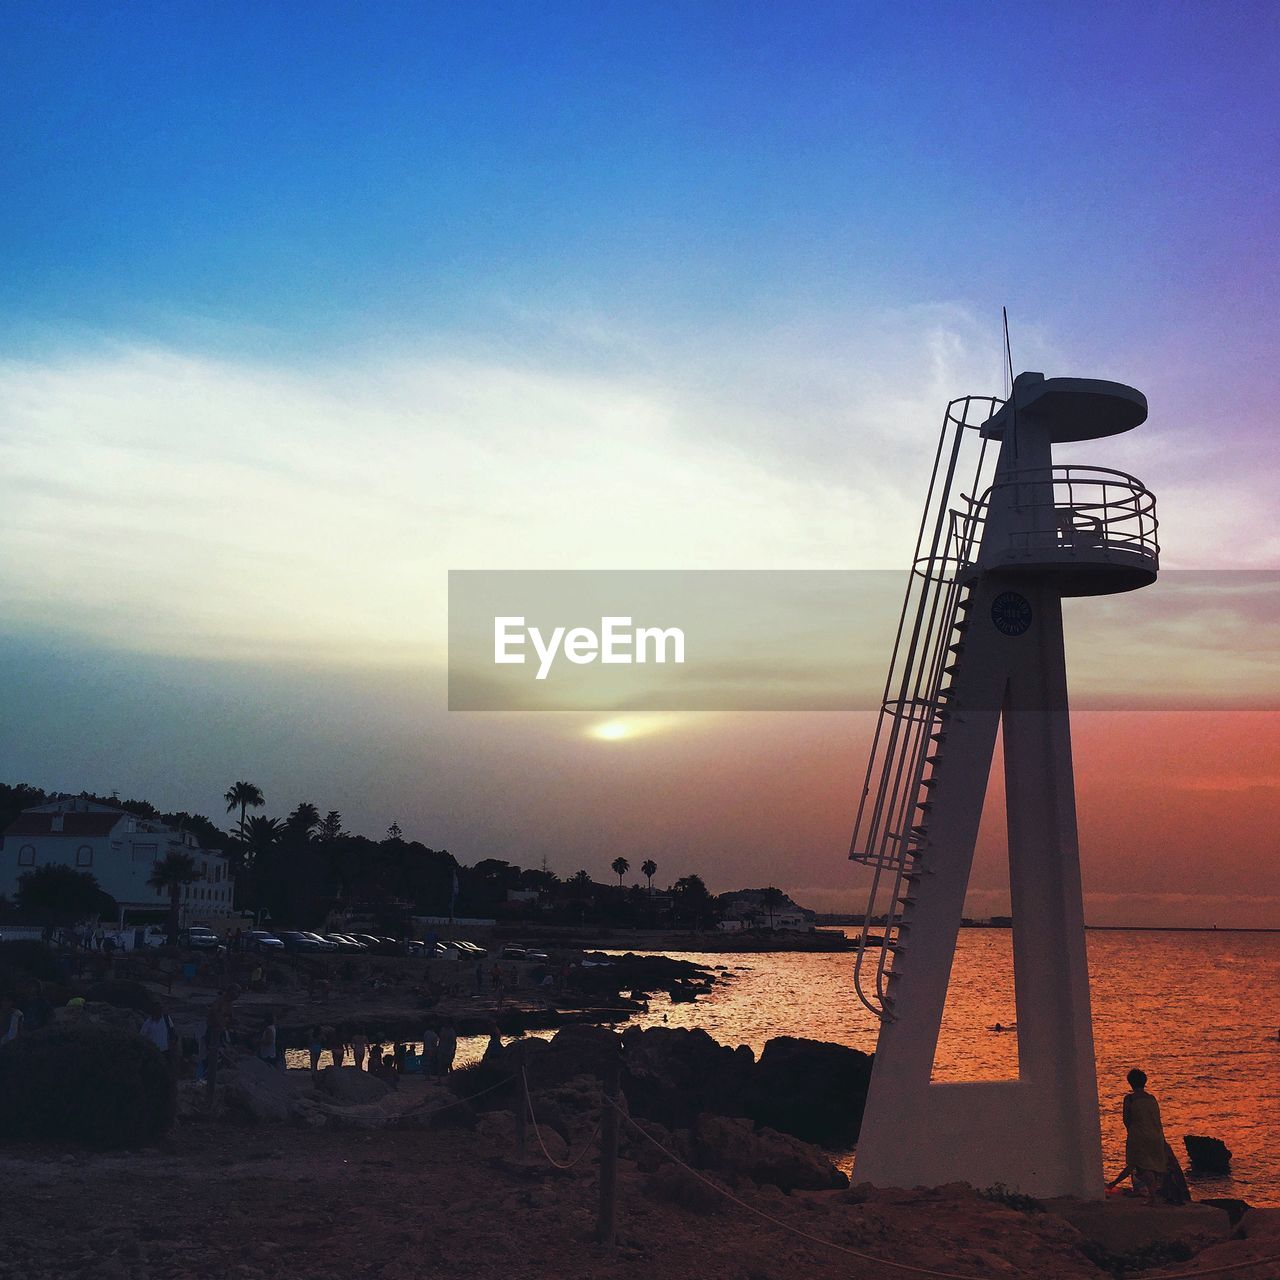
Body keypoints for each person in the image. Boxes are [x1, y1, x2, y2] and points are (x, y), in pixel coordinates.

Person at [1123, 1068, 1169, 1205]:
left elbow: (1126, 1119)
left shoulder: (1129, 1099)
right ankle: (1151, 1194)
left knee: (1142, 1167)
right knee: (1153, 1165)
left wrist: (1132, 1132)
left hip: (1139, 1135)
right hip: (1156, 1134)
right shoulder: (1152, 1099)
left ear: (1130, 1083)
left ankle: (1152, 1197)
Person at [205, 987, 237, 1101]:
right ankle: (205, 1076)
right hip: (212, 1030)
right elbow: (214, 1013)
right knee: (209, 1053)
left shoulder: (229, 1004)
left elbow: (231, 1016)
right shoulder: (219, 1001)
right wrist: (221, 1024)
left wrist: (230, 1023)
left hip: (221, 1031)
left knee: (222, 1051)